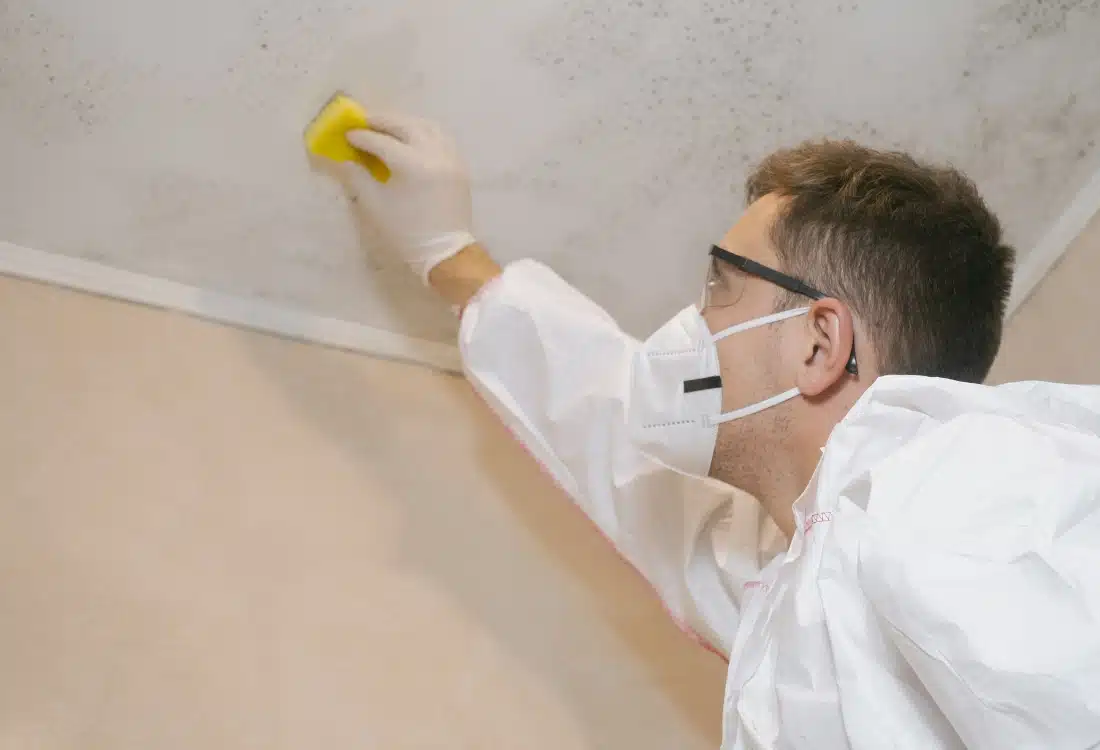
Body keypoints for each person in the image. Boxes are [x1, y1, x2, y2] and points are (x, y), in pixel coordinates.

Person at [339, 113, 1100, 749]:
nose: (692, 326)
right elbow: (622, 442)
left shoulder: (976, 487)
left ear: (817, 345)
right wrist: (450, 256)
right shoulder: (804, 572)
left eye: (720, 289)